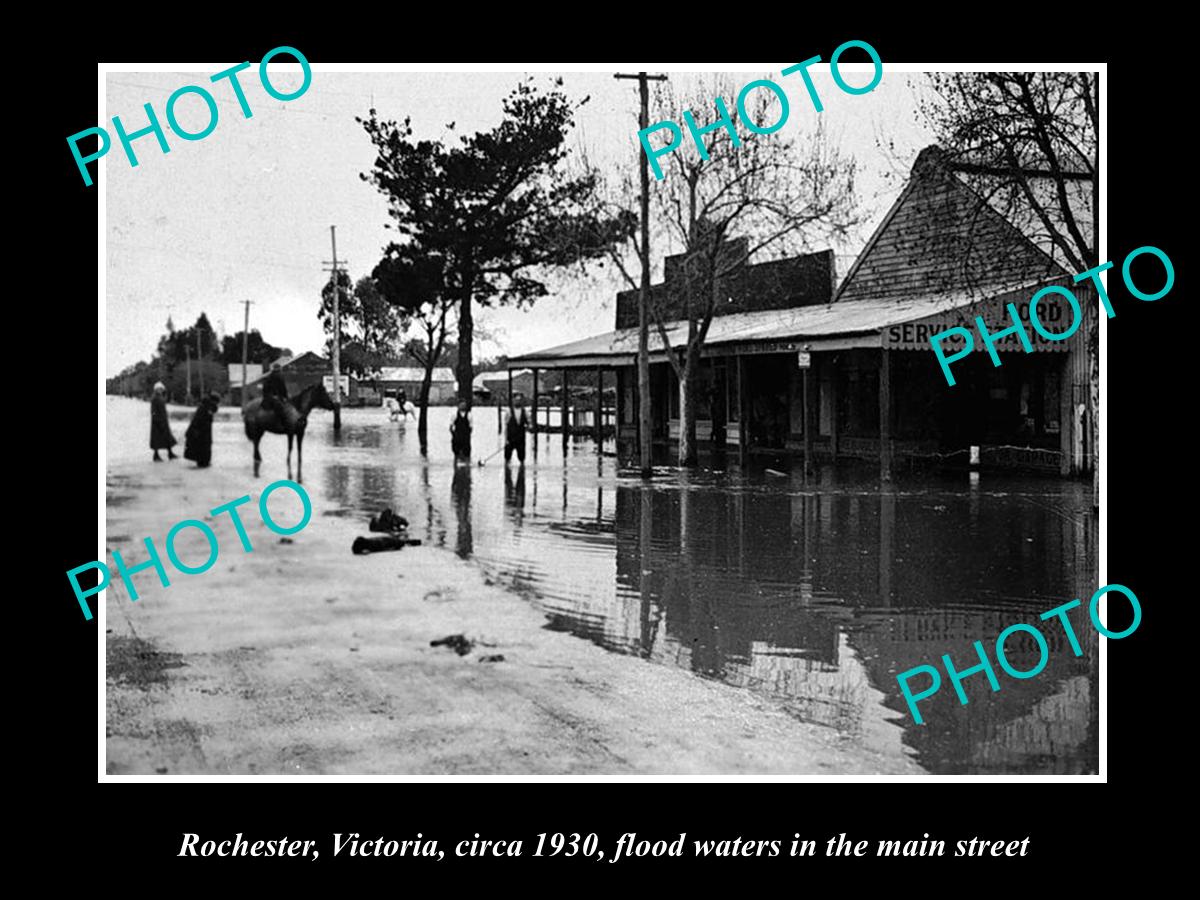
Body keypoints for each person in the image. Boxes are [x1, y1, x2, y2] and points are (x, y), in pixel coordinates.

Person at [184, 391, 221, 468]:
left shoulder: (205, 406)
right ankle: (203, 461)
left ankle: (203, 460)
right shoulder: (206, 407)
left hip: (200, 430)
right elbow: (202, 419)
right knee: (203, 445)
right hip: (200, 431)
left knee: (203, 445)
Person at [261, 362, 299, 430]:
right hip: (271, 397)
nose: (279, 372)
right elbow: (268, 389)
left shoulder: (276, 377)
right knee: (280, 407)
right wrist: (274, 396)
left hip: (276, 396)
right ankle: (280, 422)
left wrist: (285, 396)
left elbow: (282, 388)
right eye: (278, 370)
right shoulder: (273, 377)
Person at [149, 382, 177, 462]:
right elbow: (153, 411)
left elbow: (164, 402)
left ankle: (170, 453)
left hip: (163, 420)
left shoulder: (160, 397)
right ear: (155, 389)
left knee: (167, 438)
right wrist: (157, 420)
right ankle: (156, 455)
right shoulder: (155, 398)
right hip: (158, 421)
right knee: (157, 439)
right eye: (159, 389)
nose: (160, 390)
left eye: (161, 389)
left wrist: (165, 394)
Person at [504, 398, 529, 465]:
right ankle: (507, 471)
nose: (517, 402)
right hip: (511, 437)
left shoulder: (525, 412)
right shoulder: (509, 411)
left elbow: (529, 423)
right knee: (507, 455)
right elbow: (506, 425)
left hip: (520, 438)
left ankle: (522, 470)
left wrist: (528, 427)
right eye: (516, 401)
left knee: (521, 456)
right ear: (513, 402)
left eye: (518, 401)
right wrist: (506, 439)